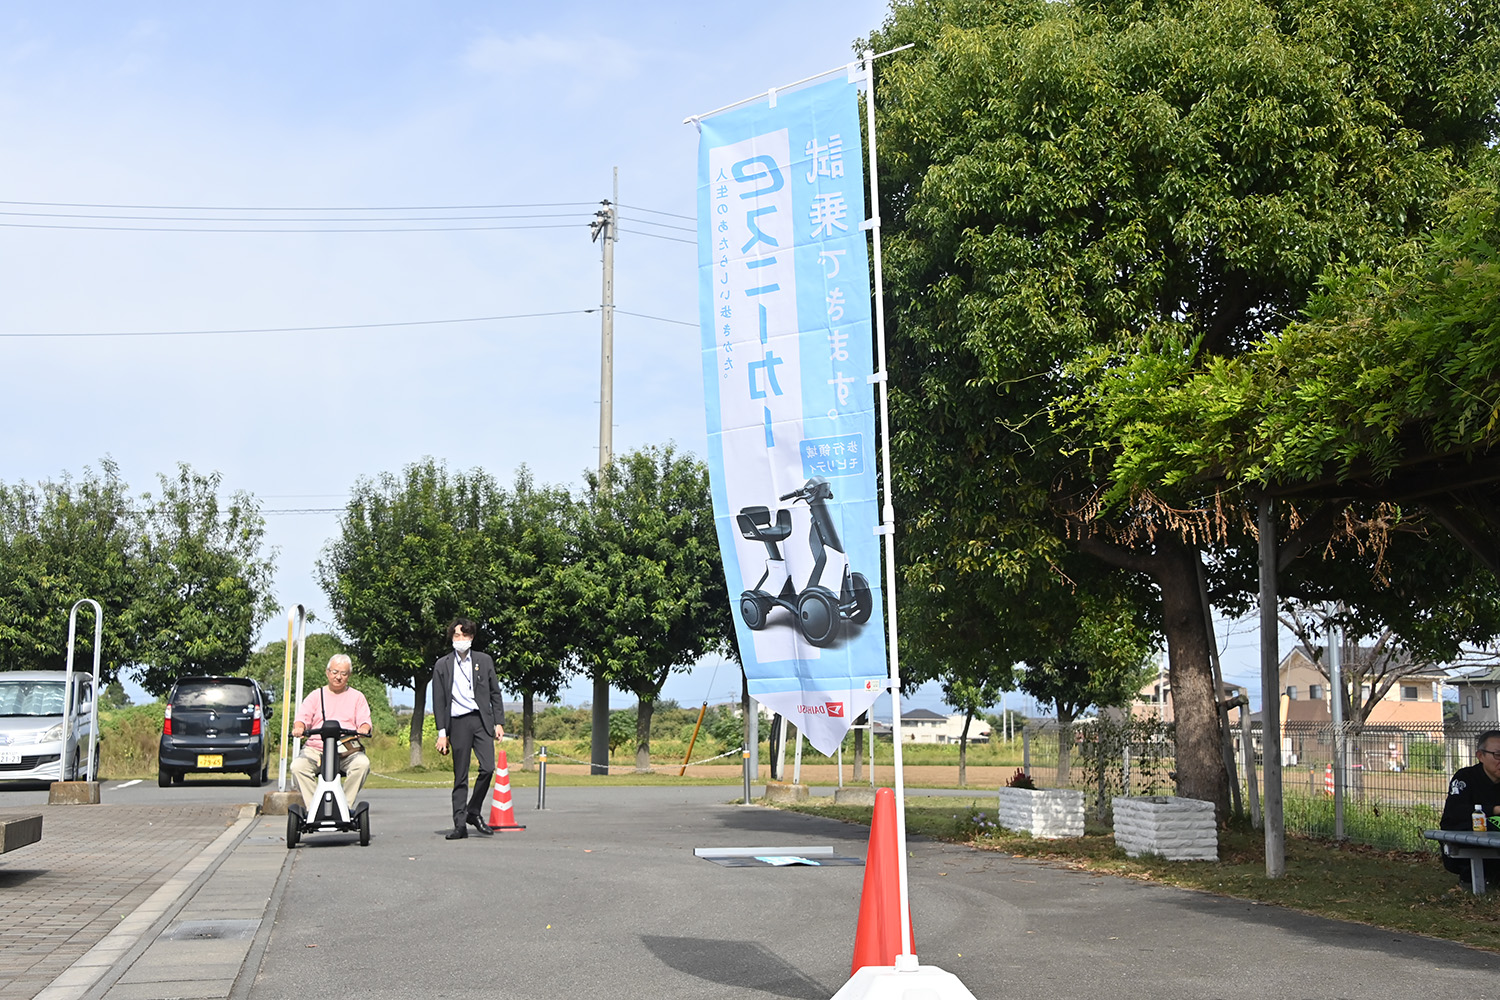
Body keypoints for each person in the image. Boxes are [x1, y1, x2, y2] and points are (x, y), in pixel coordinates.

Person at [431, 618, 506, 839]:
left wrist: (498, 722)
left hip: (481, 720)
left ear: (472, 638)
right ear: (451, 638)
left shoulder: (484, 660)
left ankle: (473, 810)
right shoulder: (442, 665)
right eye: (457, 636)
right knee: (460, 775)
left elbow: (495, 693)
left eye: (465, 636)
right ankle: (460, 824)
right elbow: (438, 701)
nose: (461, 640)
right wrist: (442, 733)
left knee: (488, 767)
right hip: (457, 722)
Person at [289, 654, 373, 812]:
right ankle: (315, 807)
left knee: (362, 764)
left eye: (343, 673)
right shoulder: (316, 695)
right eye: (335, 672)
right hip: (316, 749)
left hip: (345, 750)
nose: (338, 677)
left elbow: (364, 721)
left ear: (349, 675)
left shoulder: (357, 697)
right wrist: (299, 727)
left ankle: (343, 807)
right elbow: (302, 718)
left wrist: (363, 728)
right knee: (297, 766)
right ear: (327, 672)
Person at [1439, 729, 1500, 886]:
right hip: (1469, 838)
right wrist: (1493, 810)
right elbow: (1454, 813)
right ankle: (1471, 877)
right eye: (1497, 755)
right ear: (1480, 756)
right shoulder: (1465, 778)